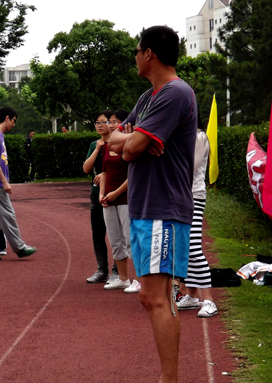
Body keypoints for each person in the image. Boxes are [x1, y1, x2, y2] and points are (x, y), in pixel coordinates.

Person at [108, 26, 197, 383]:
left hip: (164, 208)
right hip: (144, 207)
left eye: (137, 50)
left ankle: (169, 379)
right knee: (149, 297)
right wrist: (133, 141)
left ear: (149, 54)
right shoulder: (148, 98)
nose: (135, 56)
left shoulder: (176, 92)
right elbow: (116, 141)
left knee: (159, 298)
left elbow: (127, 146)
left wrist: (132, 143)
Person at [0, 107, 37, 260]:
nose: (14, 124)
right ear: (7, 118)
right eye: (14, 120)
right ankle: (19, 247)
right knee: (8, 214)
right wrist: (4, 181)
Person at [175, 117, 217, 318]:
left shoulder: (198, 137)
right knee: (183, 247)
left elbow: (189, 168)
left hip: (193, 196)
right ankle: (192, 296)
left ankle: (209, 299)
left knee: (192, 247)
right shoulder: (179, 136)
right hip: (178, 198)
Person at [100, 109, 140, 294]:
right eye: (110, 121)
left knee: (131, 239)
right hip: (109, 200)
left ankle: (139, 279)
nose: (111, 125)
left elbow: (134, 176)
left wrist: (116, 193)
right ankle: (123, 278)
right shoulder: (106, 147)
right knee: (115, 240)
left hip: (126, 198)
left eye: (116, 122)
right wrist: (102, 194)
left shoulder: (130, 146)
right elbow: (104, 173)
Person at [83, 110, 117, 283]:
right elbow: (86, 169)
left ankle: (117, 271)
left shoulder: (118, 142)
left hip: (114, 194)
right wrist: (97, 149)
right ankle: (102, 269)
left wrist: (105, 175)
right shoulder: (94, 145)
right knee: (98, 234)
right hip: (96, 194)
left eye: (104, 122)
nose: (100, 125)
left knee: (116, 235)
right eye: (97, 123)